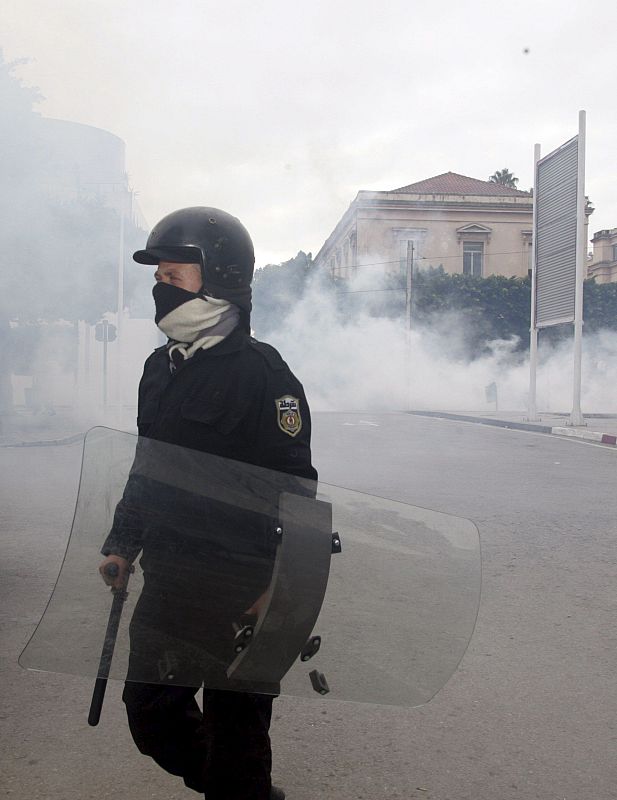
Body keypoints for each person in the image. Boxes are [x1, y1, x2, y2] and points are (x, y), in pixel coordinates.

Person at [98, 207, 318, 800]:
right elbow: (150, 467)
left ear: (221, 278)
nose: (160, 288)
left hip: (241, 590)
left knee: (237, 737)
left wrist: (281, 593)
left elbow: (297, 491)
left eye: (174, 276)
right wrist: (122, 544)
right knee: (150, 715)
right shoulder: (158, 368)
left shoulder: (264, 375)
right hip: (172, 579)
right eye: (159, 277)